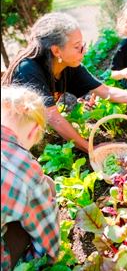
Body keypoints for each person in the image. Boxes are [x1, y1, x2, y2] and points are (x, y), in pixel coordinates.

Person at [2, 12, 127, 153]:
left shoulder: (69, 65)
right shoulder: (28, 70)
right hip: (10, 141)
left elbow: (107, 92)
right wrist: (89, 148)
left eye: (83, 45)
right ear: (56, 51)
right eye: (77, 47)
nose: (83, 51)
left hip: (29, 133)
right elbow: (53, 117)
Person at [1, 85, 59, 270]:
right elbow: (48, 235)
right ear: (34, 131)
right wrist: (42, 261)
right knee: (46, 188)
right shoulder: (19, 165)